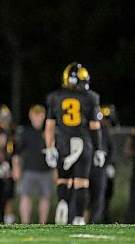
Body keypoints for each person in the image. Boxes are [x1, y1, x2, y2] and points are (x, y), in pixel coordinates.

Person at [44, 62, 105, 225]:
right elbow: (95, 126)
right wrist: (99, 149)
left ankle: (63, 201)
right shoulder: (91, 97)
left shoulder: (55, 97)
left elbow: (49, 126)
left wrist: (49, 148)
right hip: (83, 143)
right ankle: (78, 217)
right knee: (81, 182)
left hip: (62, 143)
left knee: (62, 180)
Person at [12, 104, 53, 224]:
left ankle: (42, 224)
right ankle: (25, 223)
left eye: (40, 114)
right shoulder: (25, 131)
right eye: (35, 114)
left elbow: (55, 152)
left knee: (45, 197)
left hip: (46, 170)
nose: (37, 117)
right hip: (28, 170)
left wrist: (55, 170)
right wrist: (16, 168)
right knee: (25, 196)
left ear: (44, 115)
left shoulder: (49, 131)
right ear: (30, 116)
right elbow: (16, 152)